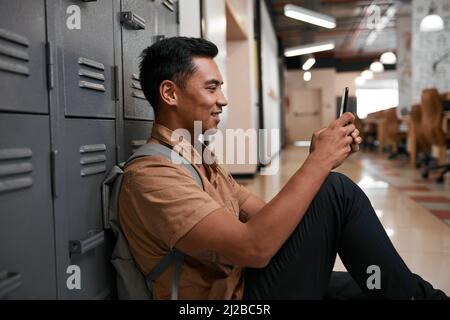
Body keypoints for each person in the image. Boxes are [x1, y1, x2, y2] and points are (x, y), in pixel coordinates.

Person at [118, 37, 448, 300]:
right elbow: (254, 248)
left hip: (244, 282)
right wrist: (318, 163)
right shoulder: (152, 176)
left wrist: (325, 160)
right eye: (211, 87)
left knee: (374, 284)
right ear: (170, 93)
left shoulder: (200, 159)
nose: (224, 99)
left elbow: (271, 220)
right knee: (336, 190)